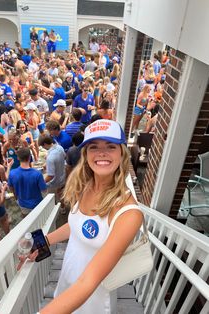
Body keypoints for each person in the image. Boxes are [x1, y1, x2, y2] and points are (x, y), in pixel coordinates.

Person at [26, 119, 143, 313]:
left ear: (122, 153)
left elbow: (88, 282)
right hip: (67, 282)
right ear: (86, 153)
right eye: (93, 147)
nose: (102, 153)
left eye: (111, 146)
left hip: (93, 300)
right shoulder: (85, 185)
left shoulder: (128, 213)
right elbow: (77, 224)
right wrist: (45, 241)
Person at [8, 147, 47, 217]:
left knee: (27, 219)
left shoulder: (12, 173)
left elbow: (11, 188)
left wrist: (16, 197)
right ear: (30, 157)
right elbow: (44, 190)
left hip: (22, 203)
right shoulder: (37, 174)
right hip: (37, 203)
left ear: (18, 158)